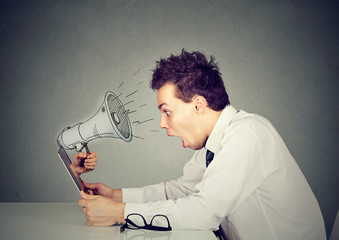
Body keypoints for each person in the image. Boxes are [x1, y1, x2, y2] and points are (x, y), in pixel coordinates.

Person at [75, 49, 326, 240]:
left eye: (167, 111)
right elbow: (183, 191)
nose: (162, 124)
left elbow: (203, 212)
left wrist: (119, 213)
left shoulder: (248, 133)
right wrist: (116, 197)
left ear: (198, 105)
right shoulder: (216, 142)